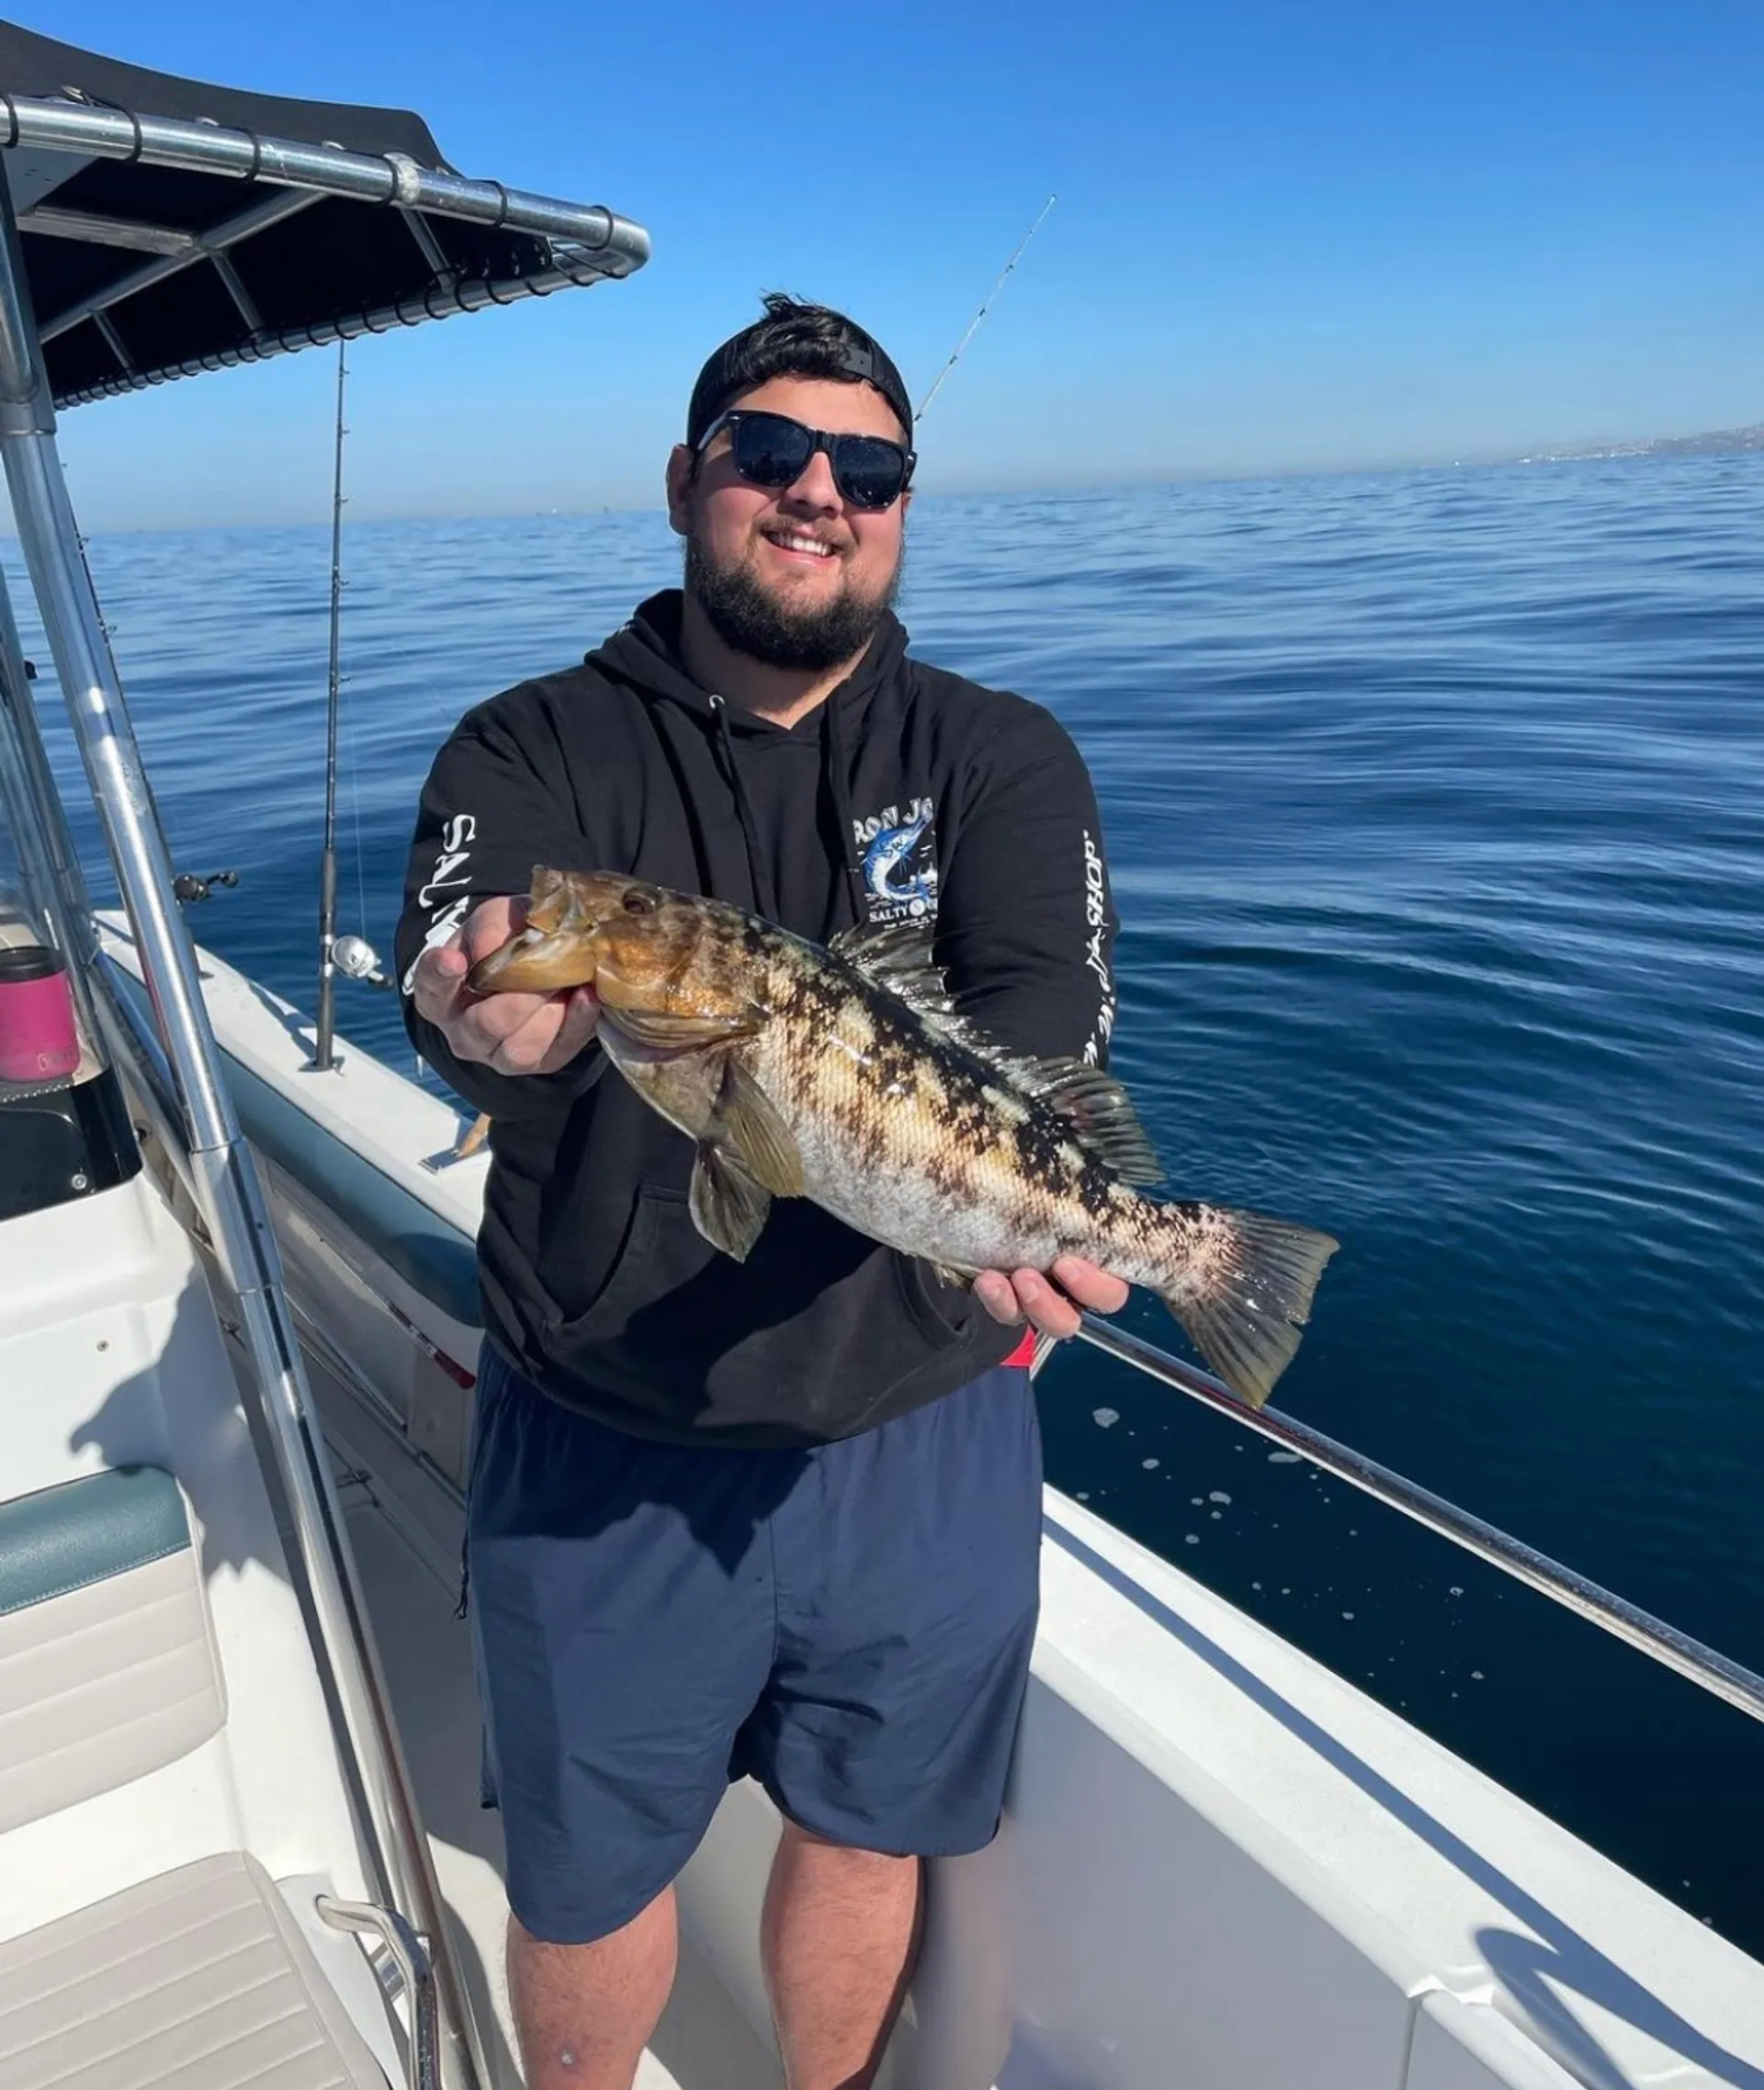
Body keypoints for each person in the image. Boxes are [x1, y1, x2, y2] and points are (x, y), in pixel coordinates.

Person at [397, 295, 1128, 2090]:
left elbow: (1043, 1029)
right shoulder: (530, 750)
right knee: (582, 1892)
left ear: (899, 501)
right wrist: (490, 1017)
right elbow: (468, 976)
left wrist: (1051, 1218)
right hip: (604, 1439)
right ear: (685, 479)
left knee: (869, 1831)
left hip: (922, 1426)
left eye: (866, 465)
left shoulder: (997, 754)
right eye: (770, 453)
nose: (819, 490)